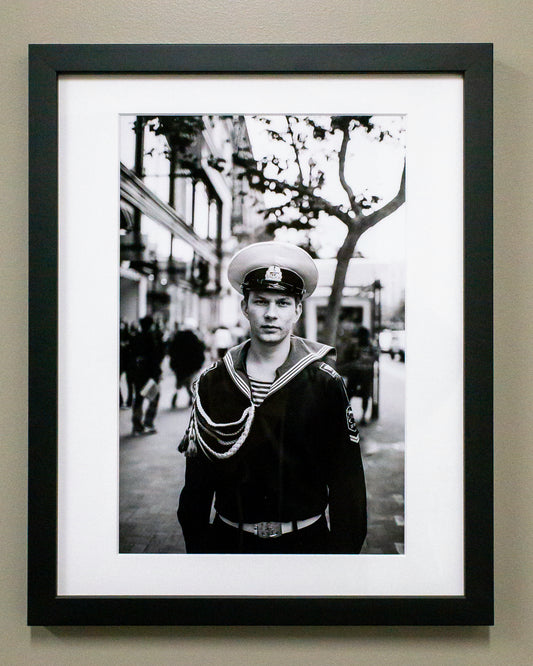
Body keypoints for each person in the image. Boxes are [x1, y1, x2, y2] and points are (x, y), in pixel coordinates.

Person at [177, 241, 367, 554]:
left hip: (306, 546)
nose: (270, 314)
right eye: (261, 301)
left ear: (297, 310)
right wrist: (200, 551)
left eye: (282, 303)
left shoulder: (323, 383)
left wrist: (340, 562)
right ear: (244, 307)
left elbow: (348, 485)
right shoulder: (215, 381)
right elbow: (196, 486)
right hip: (229, 545)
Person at [130, 315, 165, 435]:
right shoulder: (152, 339)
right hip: (150, 375)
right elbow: (155, 358)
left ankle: (136, 425)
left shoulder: (136, 337)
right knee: (154, 397)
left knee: (138, 398)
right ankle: (148, 423)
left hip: (137, 374)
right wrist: (158, 374)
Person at [341, 325, 378, 425]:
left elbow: (346, 357)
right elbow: (375, 357)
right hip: (362, 373)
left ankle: (351, 416)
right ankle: (360, 416)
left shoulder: (367, 345)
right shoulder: (369, 345)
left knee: (353, 394)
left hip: (359, 373)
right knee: (358, 394)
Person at [168, 318, 206, 408]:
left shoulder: (177, 337)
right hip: (191, 366)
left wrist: (173, 364)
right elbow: (200, 352)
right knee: (188, 382)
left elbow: (171, 350)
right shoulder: (195, 338)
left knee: (179, 383)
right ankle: (190, 397)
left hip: (179, 365)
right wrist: (199, 364)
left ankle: (175, 396)